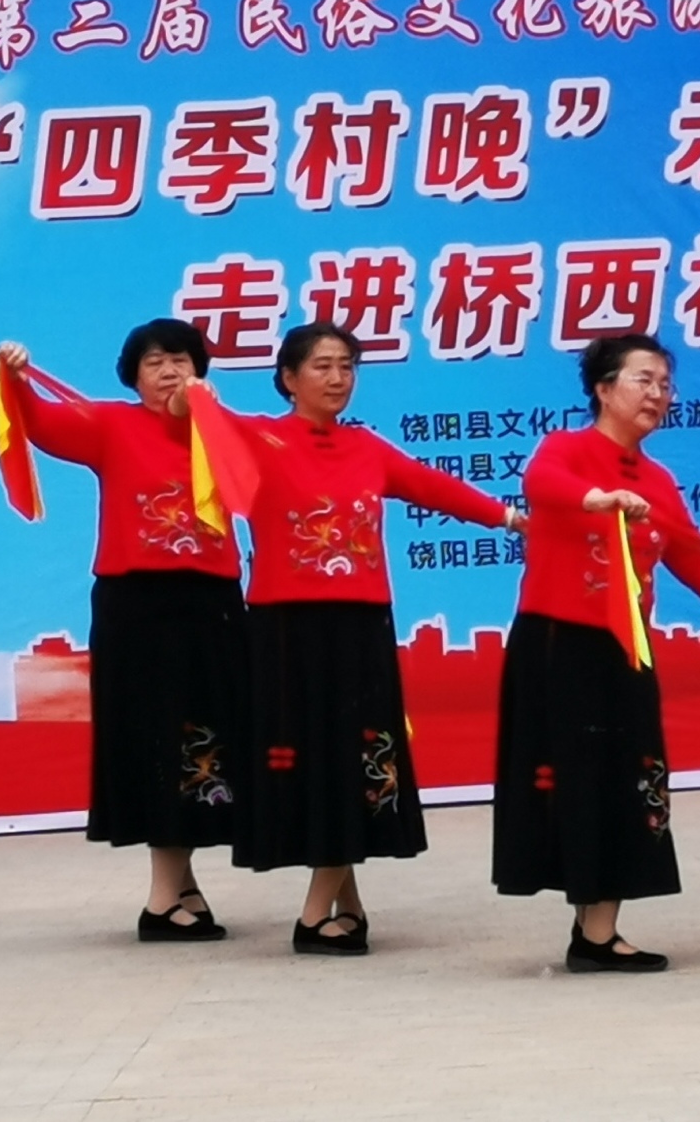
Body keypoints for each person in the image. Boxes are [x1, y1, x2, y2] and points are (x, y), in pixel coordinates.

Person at [209, 322, 521, 955]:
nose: (337, 378)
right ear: (288, 378)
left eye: (346, 366)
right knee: (315, 761)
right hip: (287, 630)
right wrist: (196, 395)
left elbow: (433, 486)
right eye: (321, 366)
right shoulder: (258, 436)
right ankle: (314, 915)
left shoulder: (366, 447)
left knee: (354, 759)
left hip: (359, 627)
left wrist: (512, 518)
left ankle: (342, 903)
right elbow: (202, 425)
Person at [493, 334, 700, 974]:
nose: (658, 394)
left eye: (665, 384)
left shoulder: (657, 479)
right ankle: (594, 932)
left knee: (628, 778)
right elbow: (541, 484)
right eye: (643, 380)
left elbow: (692, 556)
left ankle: (596, 930)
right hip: (559, 645)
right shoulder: (566, 450)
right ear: (603, 389)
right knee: (578, 780)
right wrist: (597, 501)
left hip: (627, 649)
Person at [0, 322, 247, 943]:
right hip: (137, 608)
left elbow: (257, 484)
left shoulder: (224, 429)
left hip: (211, 604)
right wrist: (18, 378)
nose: (168, 372)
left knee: (204, 743)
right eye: (153, 362)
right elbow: (42, 425)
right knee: (154, 739)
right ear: (133, 377)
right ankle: (162, 901)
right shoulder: (110, 424)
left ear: (200, 370)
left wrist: (208, 419)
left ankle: (181, 889)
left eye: (180, 360)